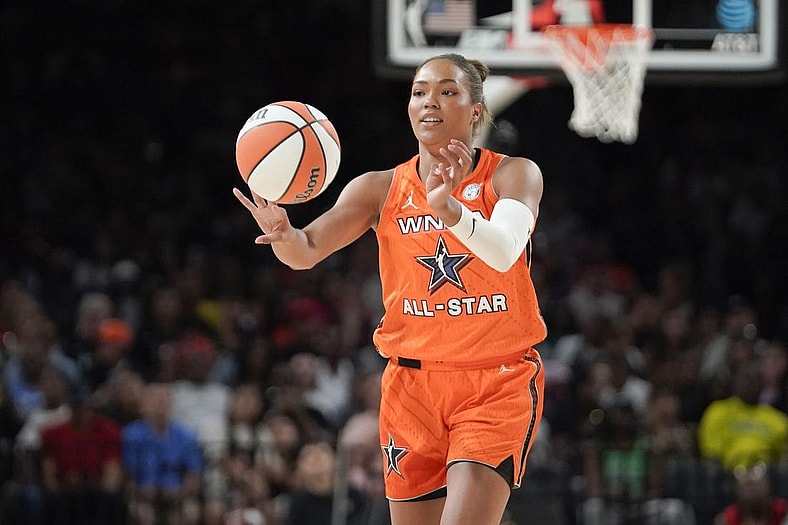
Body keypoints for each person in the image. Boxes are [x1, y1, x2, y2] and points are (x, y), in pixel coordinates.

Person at [235, 52, 547, 525]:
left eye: (447, 91)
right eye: (419, 91)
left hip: (494, 382)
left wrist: (451, 210)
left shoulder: (512, 174)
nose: (429, 102)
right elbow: (305, 251)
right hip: (411, 387)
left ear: (476, 110)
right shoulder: (379, 188)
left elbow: (503, 249)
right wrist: (285, 234)